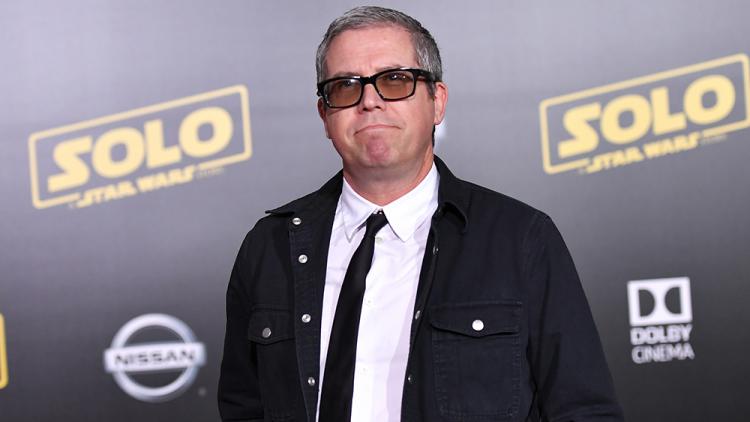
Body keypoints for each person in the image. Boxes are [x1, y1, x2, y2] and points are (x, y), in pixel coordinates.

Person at [218, 6, 623, 422]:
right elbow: (242, 408)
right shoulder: (269, 247)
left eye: (395, 80)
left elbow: (584, 410)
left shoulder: (520, 239)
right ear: (325, 115)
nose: (370, 101)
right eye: (345, 86)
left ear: (437, 101)